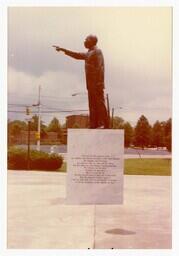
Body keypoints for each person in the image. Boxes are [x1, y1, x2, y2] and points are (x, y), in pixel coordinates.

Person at [53, 34, 109, 129]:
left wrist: (100, 82)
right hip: (90, 84)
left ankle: (104, 123)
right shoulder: (89, 53)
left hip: (97, 83)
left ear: (92, 41)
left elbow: (101, 67)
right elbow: (76, 55)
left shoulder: (97, 51)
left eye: (86, 39)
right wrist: (63, 50)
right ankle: (94, 124)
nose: (84, 41)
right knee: (92, 104)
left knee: (99, 103)